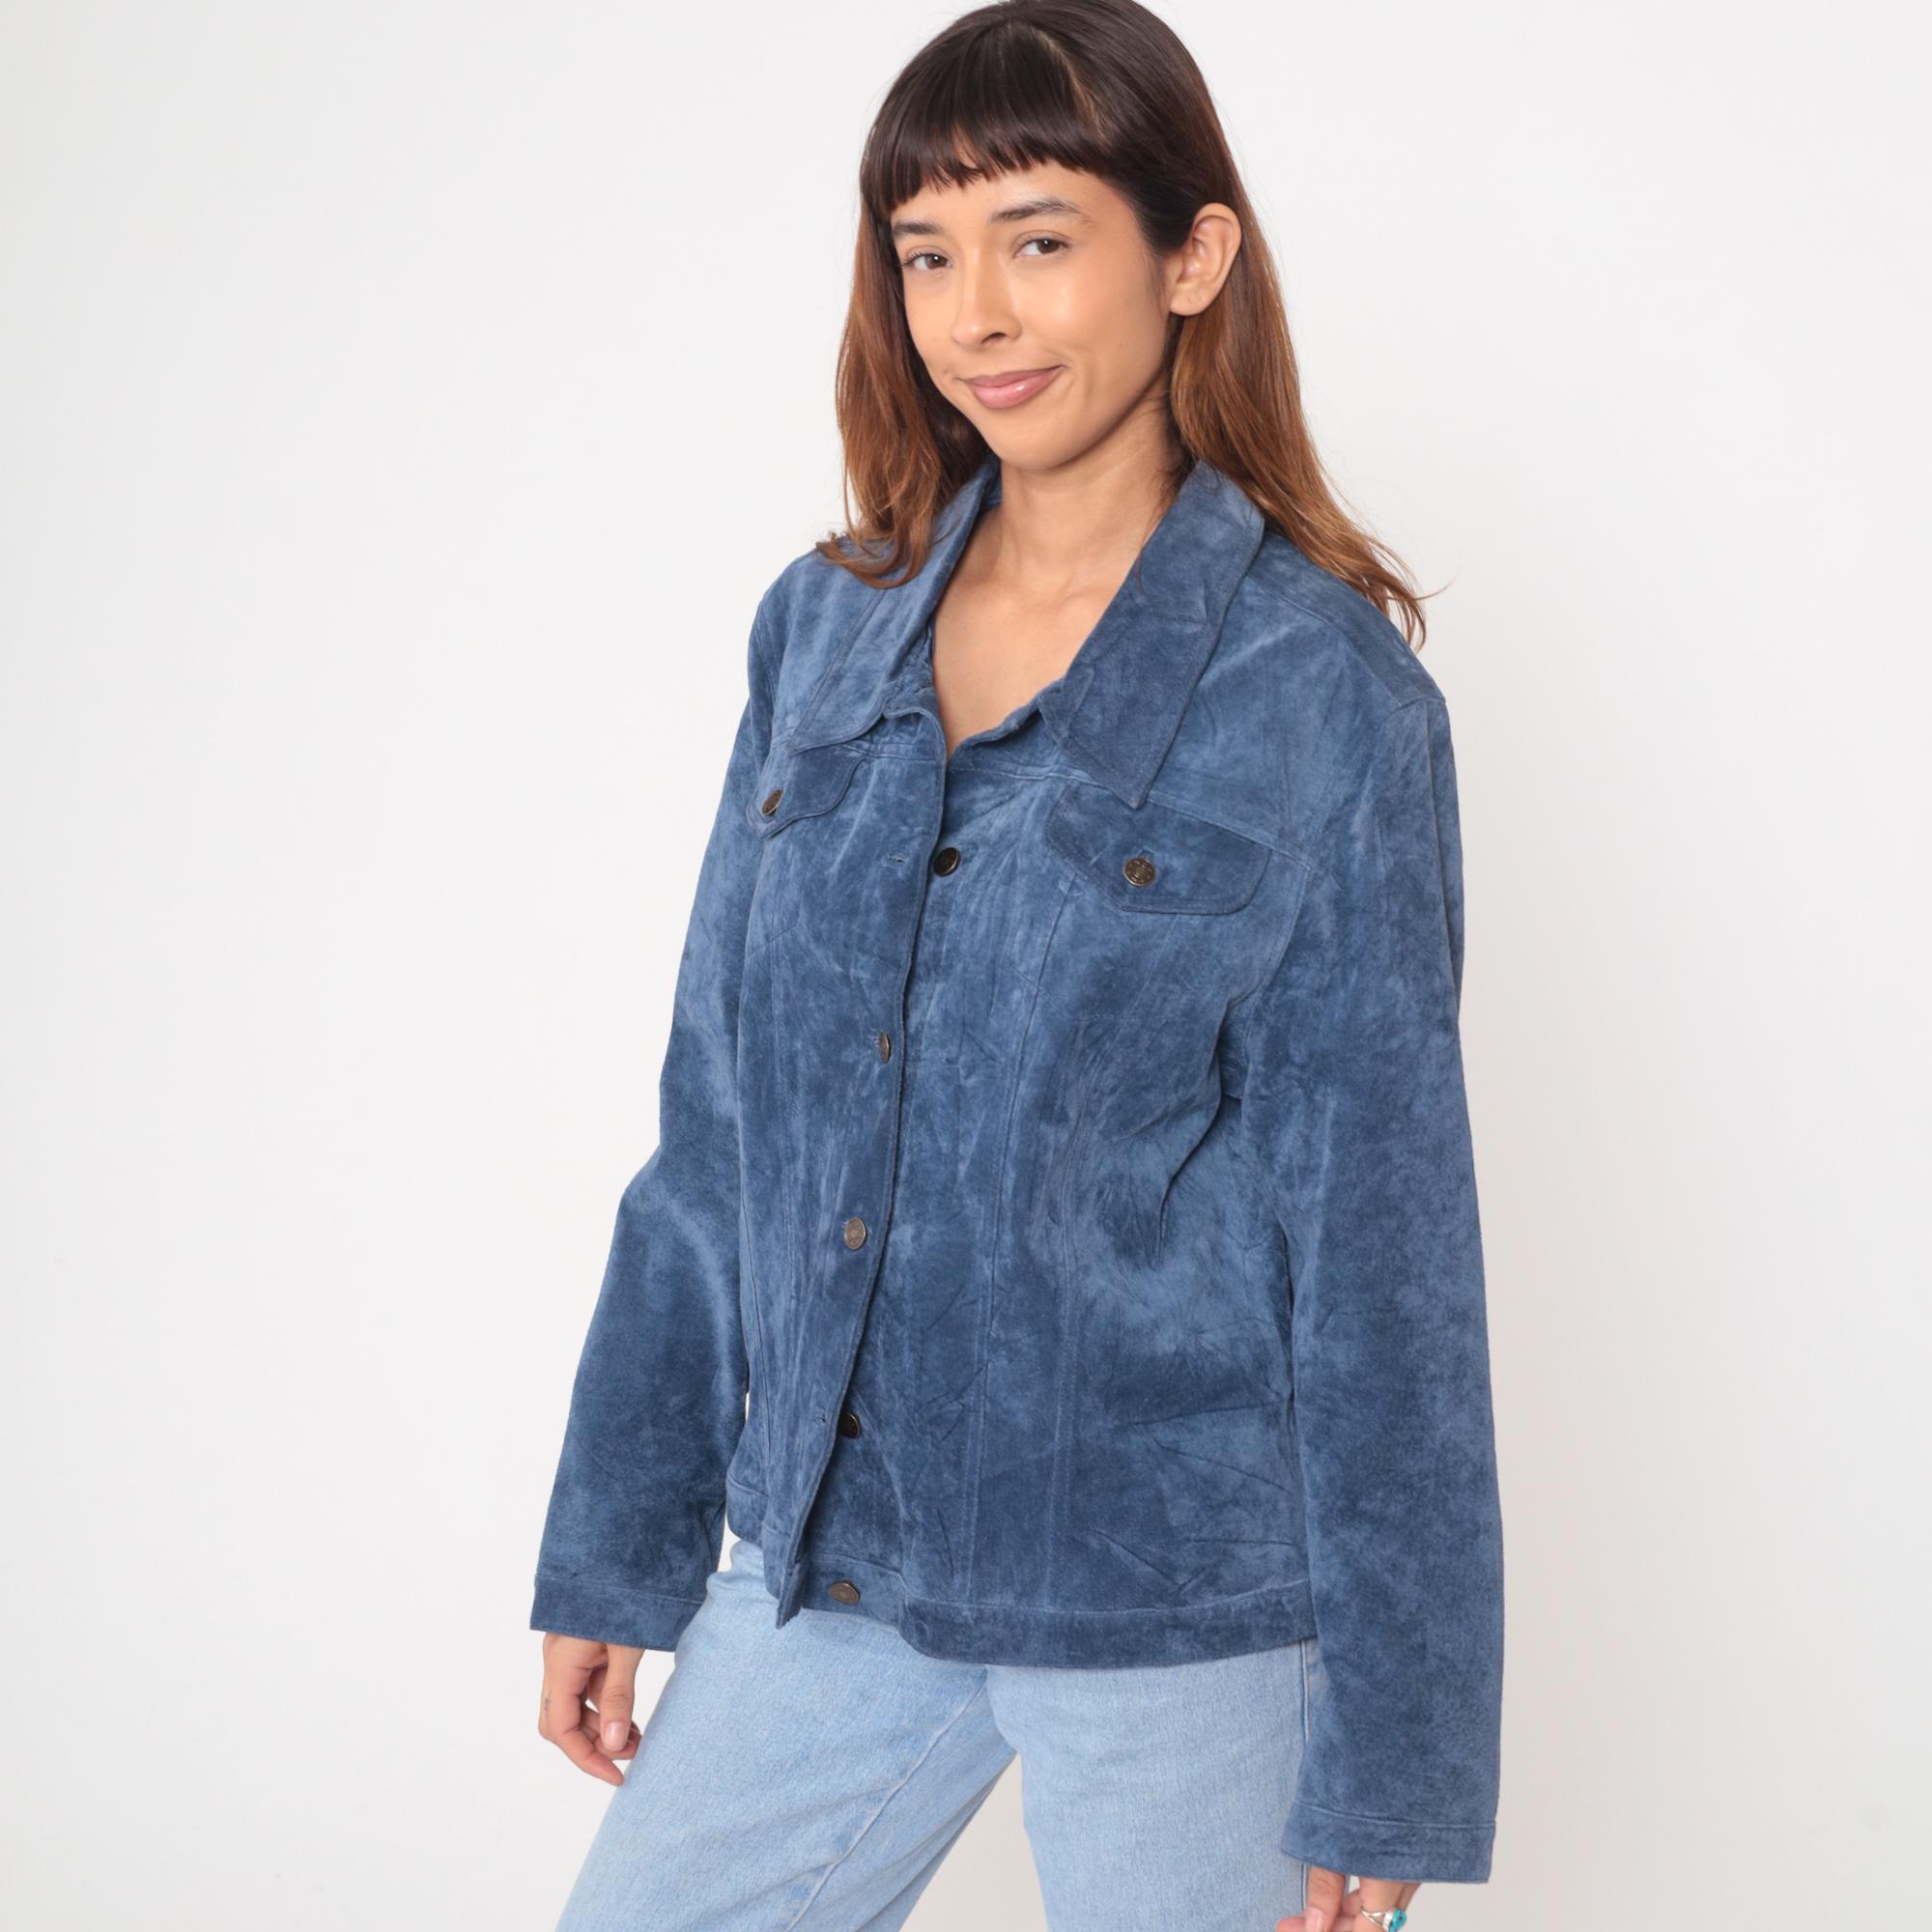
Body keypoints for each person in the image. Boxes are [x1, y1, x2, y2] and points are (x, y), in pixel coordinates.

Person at [528, 3, 1505, 1927]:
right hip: (833, 1560)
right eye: (926, 254)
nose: (975, 314)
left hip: (1176, 1601)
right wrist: (618, 1542)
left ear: (1192, 256)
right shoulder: (823, 633)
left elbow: (1385, 1253)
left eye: (1039, 239)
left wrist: (1400, 1748)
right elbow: (718, 1131)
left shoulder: (1323, 696)